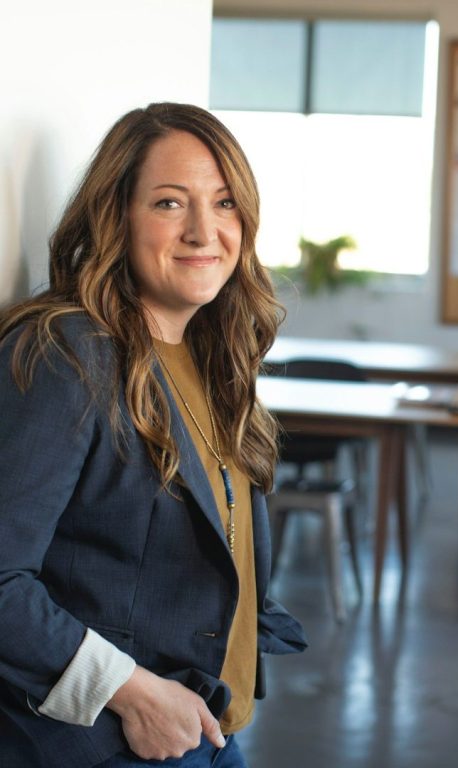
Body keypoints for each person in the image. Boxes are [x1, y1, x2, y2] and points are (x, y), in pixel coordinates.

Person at [0, 102, 307, 767]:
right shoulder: (69, 354)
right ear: (118, 216)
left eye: (225, 203)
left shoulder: (213, 354)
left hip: (208, 724)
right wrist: (130, 692)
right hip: (117, 740)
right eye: (170, 203)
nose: (205, 230)